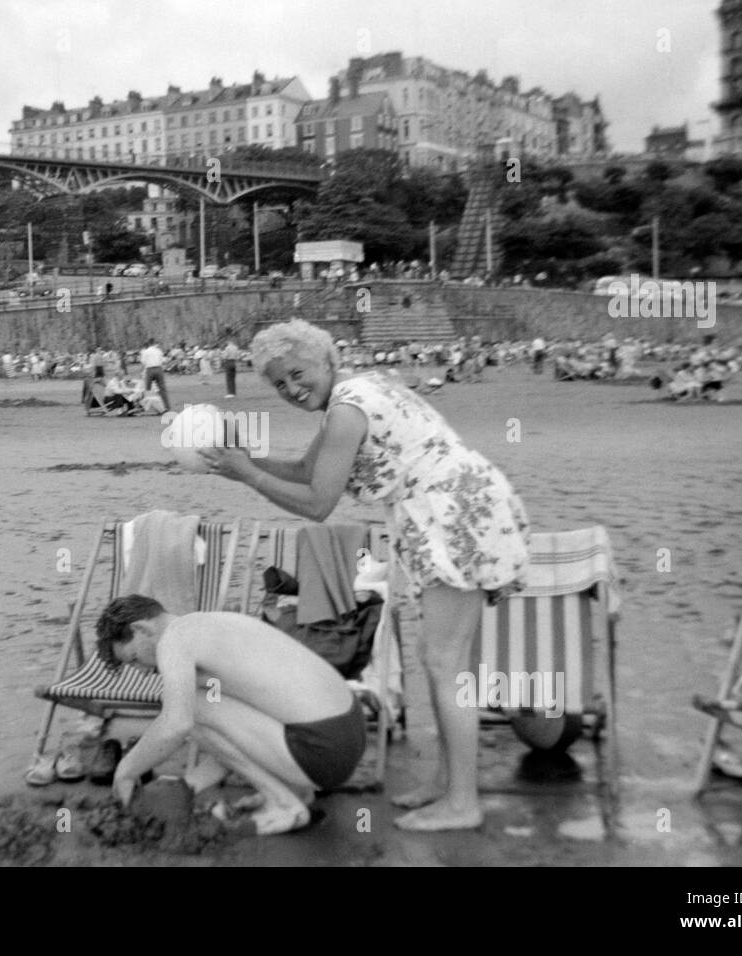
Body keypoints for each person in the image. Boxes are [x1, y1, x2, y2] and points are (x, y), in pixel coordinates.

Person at [199, 319, 529, 832]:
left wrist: (248, 476)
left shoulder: (348, 411)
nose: (291, 389)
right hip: (452, 508)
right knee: (438, 660)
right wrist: (246, 461)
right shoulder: (355, 393)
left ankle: (464, 802)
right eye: (280, 383)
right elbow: (309, 471)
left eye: (298, 373)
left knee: (446, 666)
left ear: (328, 360)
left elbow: (317, 504)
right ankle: (448, 784)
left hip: (452, 514)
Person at [97, 595, 365, 835]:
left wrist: (126, 771)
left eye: (133, 659)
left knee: (187, 706)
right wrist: (189, 786)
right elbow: (229, 730)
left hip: (323, 751)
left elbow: (177, 725)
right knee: (203, 703)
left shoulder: (174, 640)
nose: (141, 670)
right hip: (347, 734)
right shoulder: (207, 624)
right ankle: (292, 790)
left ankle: (285, 805)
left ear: (141, 629)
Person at [138, 339, 171, 412]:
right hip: (159, 369)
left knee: (147, 389)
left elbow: (143, 363)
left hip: (149, 369)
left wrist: (141, 372)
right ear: (154, 343)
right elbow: (162, 361)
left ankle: (144, 406)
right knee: (162, 389)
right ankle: (166, 407)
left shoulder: (145, 352)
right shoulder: (159, 351)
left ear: (149, 344)